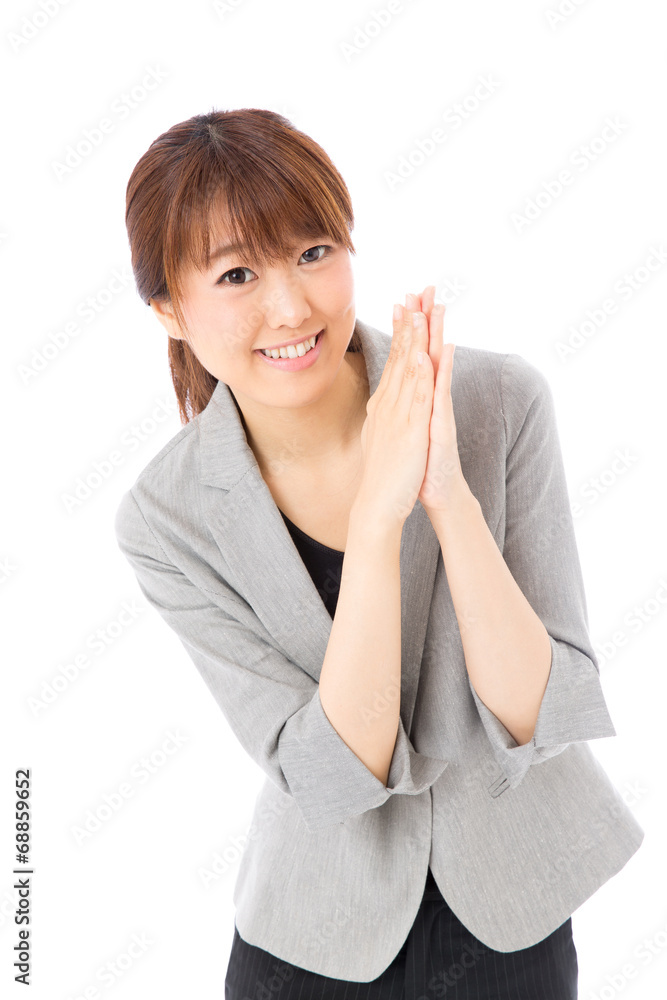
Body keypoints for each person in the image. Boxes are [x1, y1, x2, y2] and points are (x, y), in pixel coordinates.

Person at [114, 108, 644, 998]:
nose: (290, 306)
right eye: (237, 273)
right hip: (311, 940)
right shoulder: (167, 518)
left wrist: (447, 493)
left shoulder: (495, 401)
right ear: (170, 309)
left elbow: (541, 715)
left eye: (314, 252)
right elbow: (330, 775)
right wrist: (375, 519)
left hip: (512, 917)